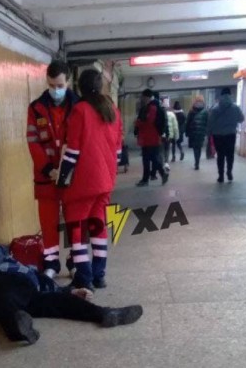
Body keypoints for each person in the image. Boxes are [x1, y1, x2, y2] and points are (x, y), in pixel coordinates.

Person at [0, 244, 143, 344]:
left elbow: (50, 285)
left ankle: (105, 313)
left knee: (61, 302)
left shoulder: (29, 269)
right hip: (2, 284)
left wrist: (71, 291)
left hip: (30, 294)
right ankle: (18, 328)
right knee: (5, 299)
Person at [56, 69, 123, 290]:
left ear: (79, 87)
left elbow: (73, 151)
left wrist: (62, 178)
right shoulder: (112, 110)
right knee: (98, 226)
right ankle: (99, 275)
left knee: (77, 231)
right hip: (106, 180)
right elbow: (118, 151)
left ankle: (83, 279)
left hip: (83, 182)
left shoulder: (80, 111)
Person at [26, 61, 79, 278]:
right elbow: (33, 141)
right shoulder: (36, 108)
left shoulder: (79, 107)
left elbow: (82, 141)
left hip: (72, 177)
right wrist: (49, 170)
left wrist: (67, 169)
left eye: (59, 85)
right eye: (51, 85)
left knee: (75, 221)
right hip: (45, 177)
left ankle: (75, 262)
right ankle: (51, 263)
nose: (55, 90)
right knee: (48, 222)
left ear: (68, 81)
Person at [208, 87, 245, 183]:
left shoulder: (215, 108)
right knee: (230, 155)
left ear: (221, 96)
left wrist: (209, 133)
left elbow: (210, 122)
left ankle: (220, 176)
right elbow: (241, 119)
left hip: (218, 135)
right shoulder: (235, 107)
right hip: (230, 134)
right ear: (230, 95)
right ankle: (229, 171)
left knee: (220, 155)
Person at [134, 89, 168, 187]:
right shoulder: (150, 106)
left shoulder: (152, 107)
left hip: (151, 137)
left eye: (143, 97)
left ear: (147, 97)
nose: (142, 99)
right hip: (148, 137)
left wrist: (138, 123)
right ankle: (156, 176)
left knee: (151, 159)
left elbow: (149, 122)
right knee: (150, 159)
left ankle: (152, 177)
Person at [185, 95, 209, 170]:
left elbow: (187, 122)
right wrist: (207, 131)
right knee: (199, 147)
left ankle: (196, 163)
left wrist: (186, 132)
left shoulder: (191, 110)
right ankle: (197, 162)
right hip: (201, 132)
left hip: (193, 132)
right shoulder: (205, 111)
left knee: (195, 148)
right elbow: (207, 122)